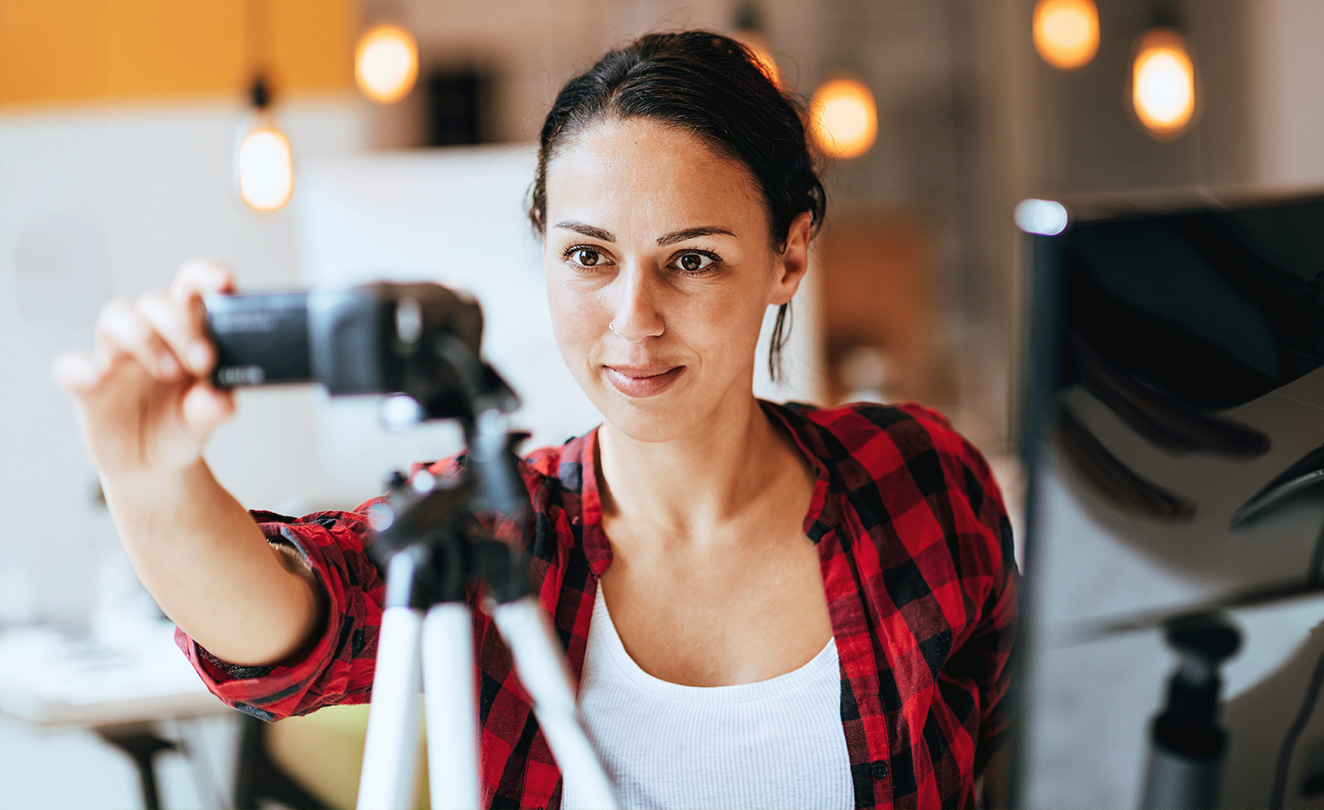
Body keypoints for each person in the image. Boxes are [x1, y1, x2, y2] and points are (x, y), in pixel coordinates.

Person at [54, 30, 1017, 810]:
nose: (633, 321)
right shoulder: (502, 531)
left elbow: (1036, 754)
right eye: (589, 257)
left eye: (691, 260)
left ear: (789, 257)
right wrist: (150, 477)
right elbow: (284, 630)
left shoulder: (920, 480)